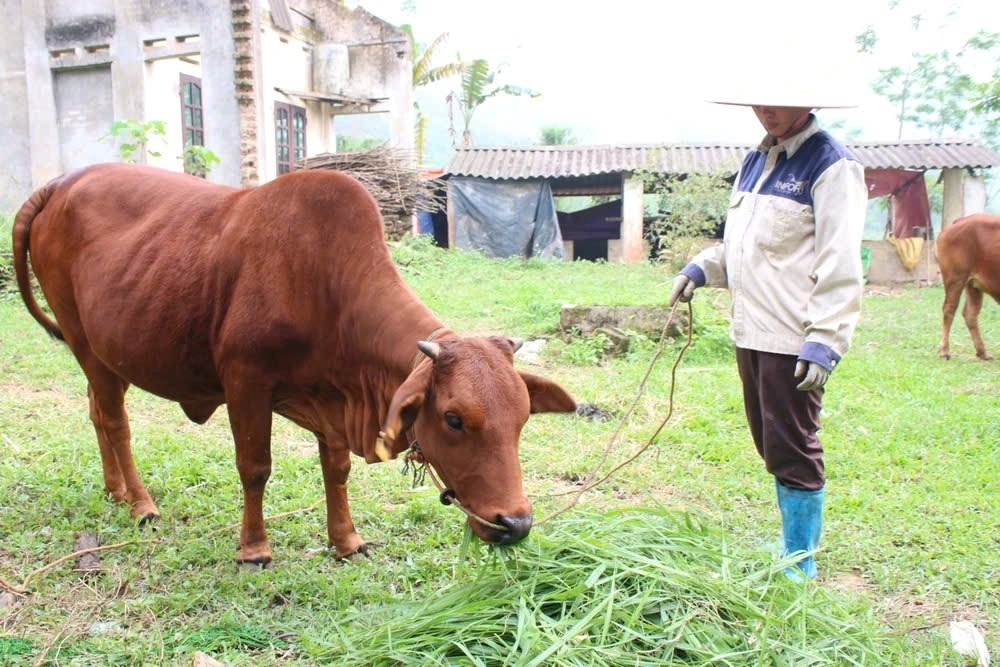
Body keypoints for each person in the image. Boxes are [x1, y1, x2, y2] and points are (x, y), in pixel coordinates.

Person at [669, 88, 868, 580]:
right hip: (751, 330)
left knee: (794, 442)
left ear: (809, 100)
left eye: (778, 103)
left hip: (794, 335)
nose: (767, 113)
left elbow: (840, 260)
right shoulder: (757, 159)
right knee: (769, 440)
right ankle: (789, 538)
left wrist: (826, 338)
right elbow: (743, 243)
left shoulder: (832, 165)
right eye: (759, 103)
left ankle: (801, 558)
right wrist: (702, 266)